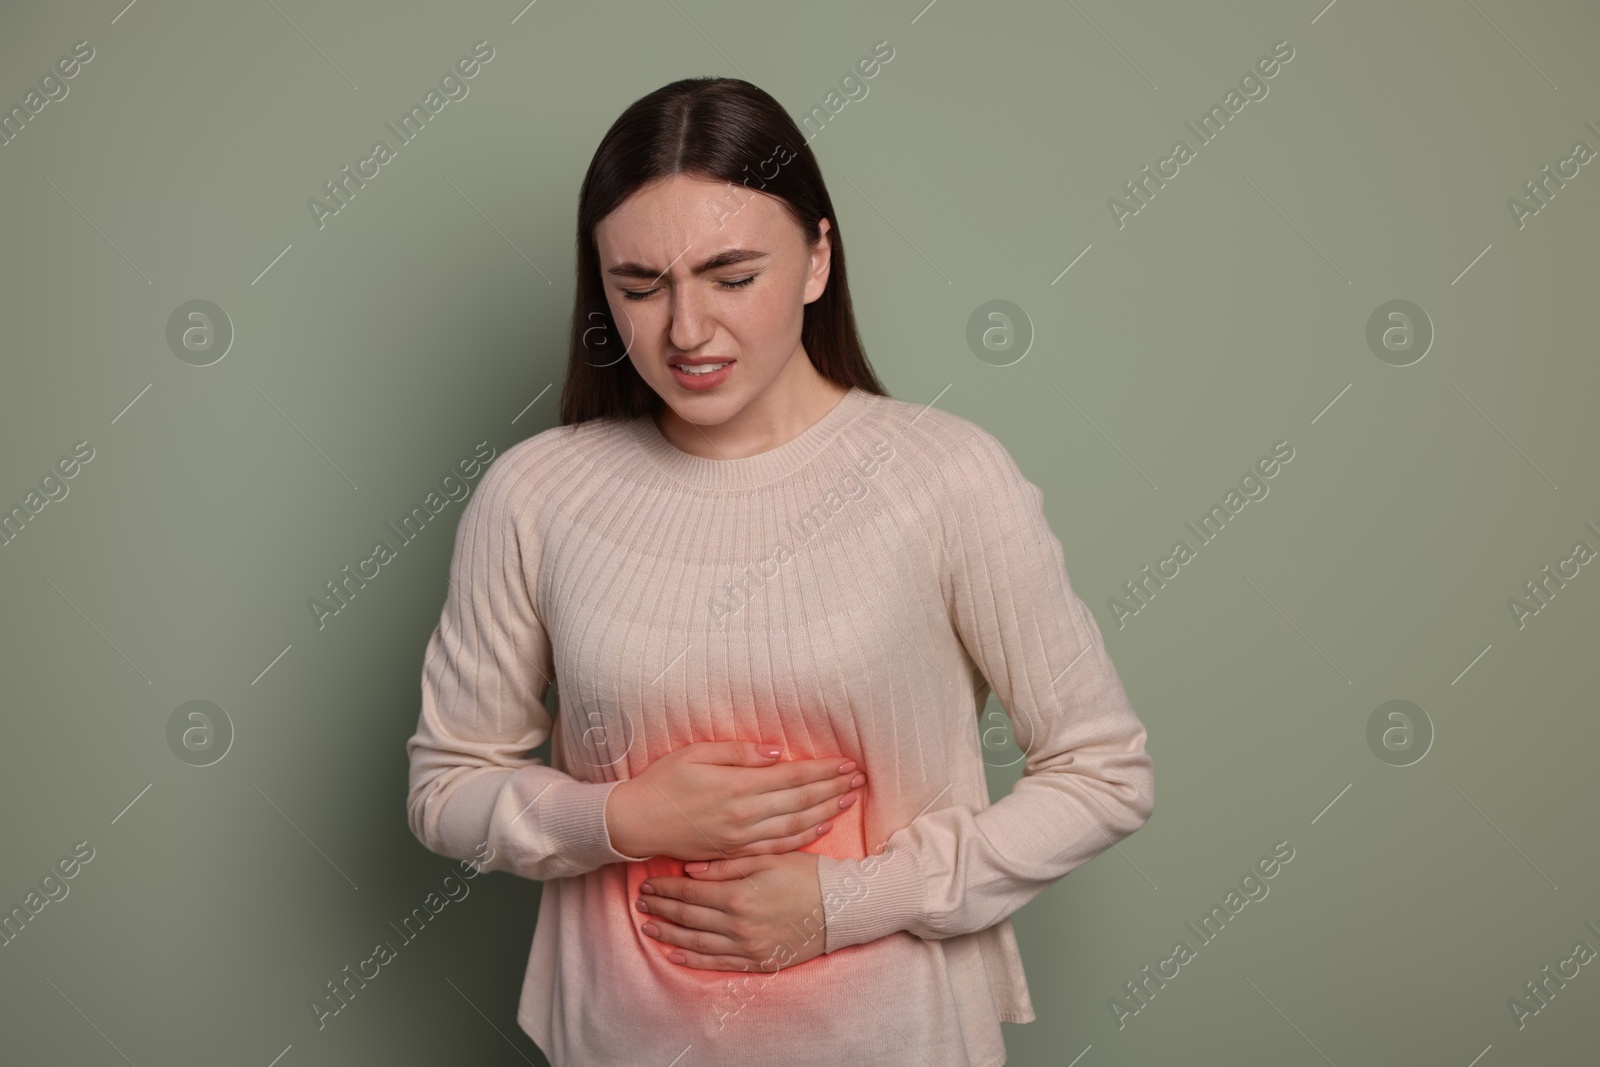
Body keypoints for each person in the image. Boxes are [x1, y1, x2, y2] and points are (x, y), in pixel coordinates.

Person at [405, 76, 1155, 1067]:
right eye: (639, 286)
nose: (685, 330)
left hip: (888, 1038)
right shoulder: (534, 494)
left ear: (816, 260)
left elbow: (1105, 771)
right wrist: (620, 815)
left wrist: (841, 900)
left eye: (730, 274)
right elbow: (444, 782)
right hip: (618, 1040)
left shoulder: (943, 476)